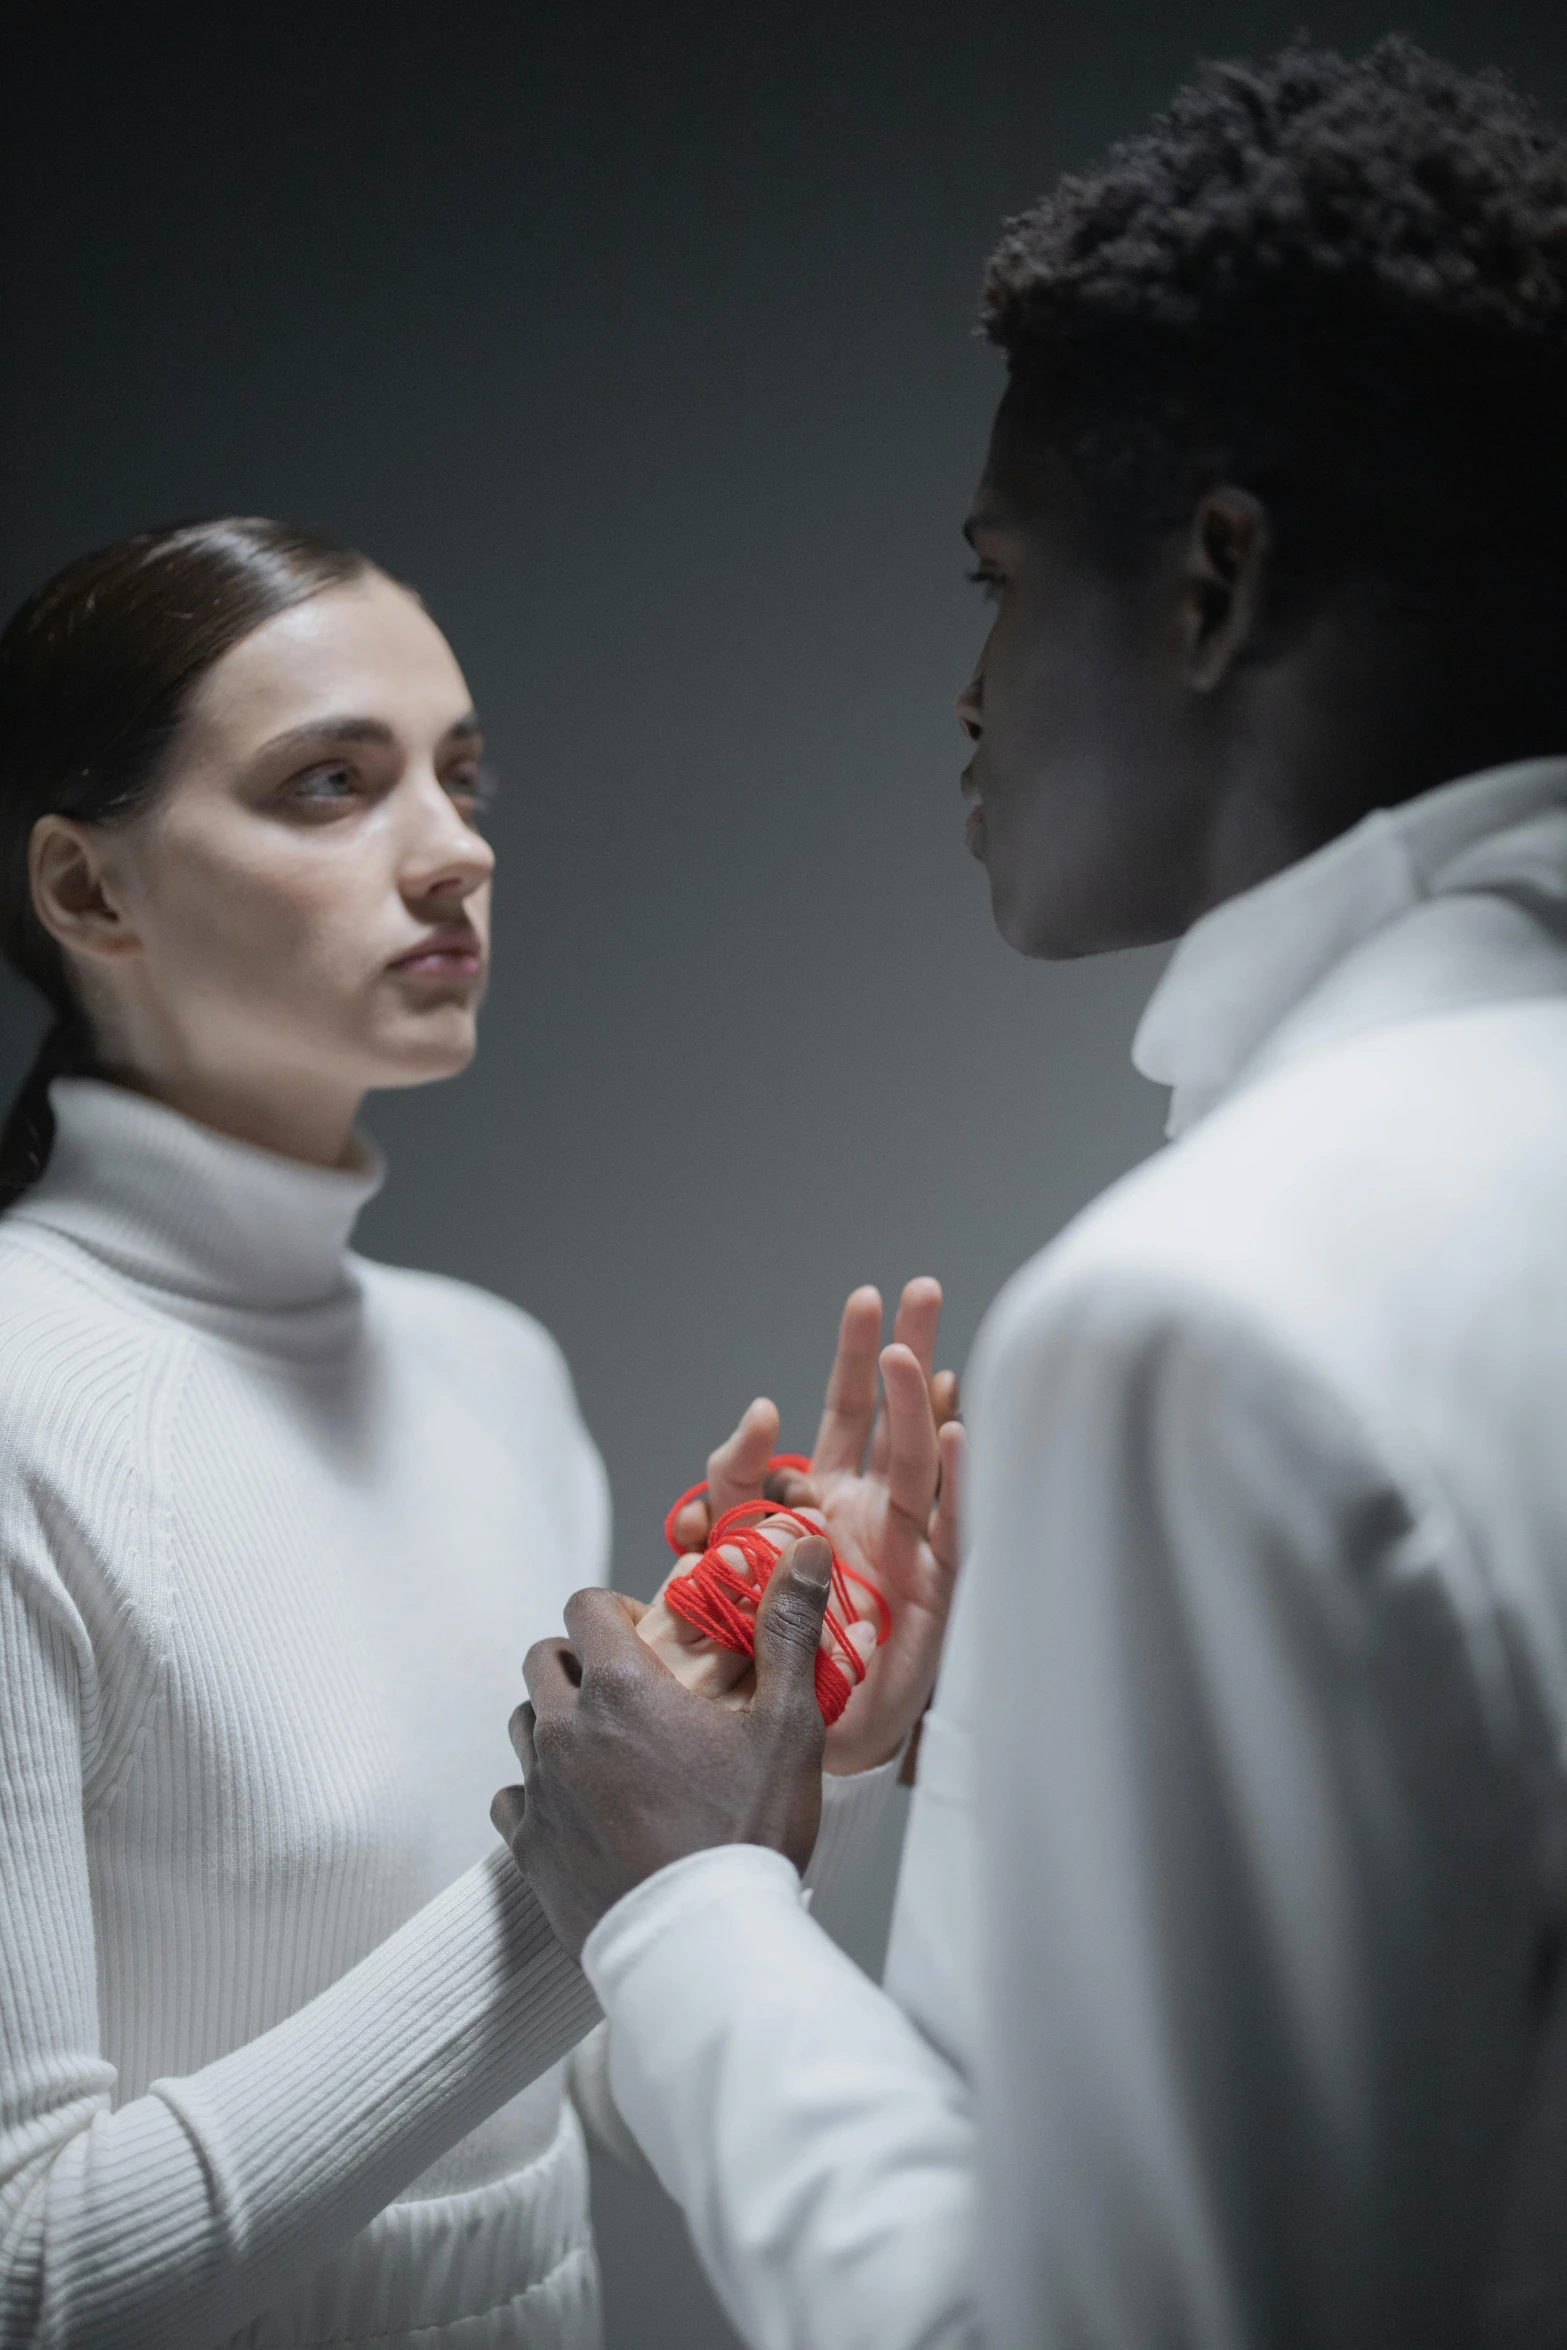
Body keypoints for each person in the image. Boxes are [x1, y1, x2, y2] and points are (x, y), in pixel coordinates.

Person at [495, 38, 1567, 2350]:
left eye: (999, 577)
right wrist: (947, 1745)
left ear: (1212, 582)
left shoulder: (1218, 1315)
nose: (970, 695)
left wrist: (683, 1901)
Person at [0, 519, 960, 2348]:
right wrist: (593, 1866)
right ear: (87, 886)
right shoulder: (22, 1405)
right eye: (331, 784)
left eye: (458, 775)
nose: (456, 849)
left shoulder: (491, 1368)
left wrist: (788, 1754)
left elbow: (565, 2082)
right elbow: (32, 2273)